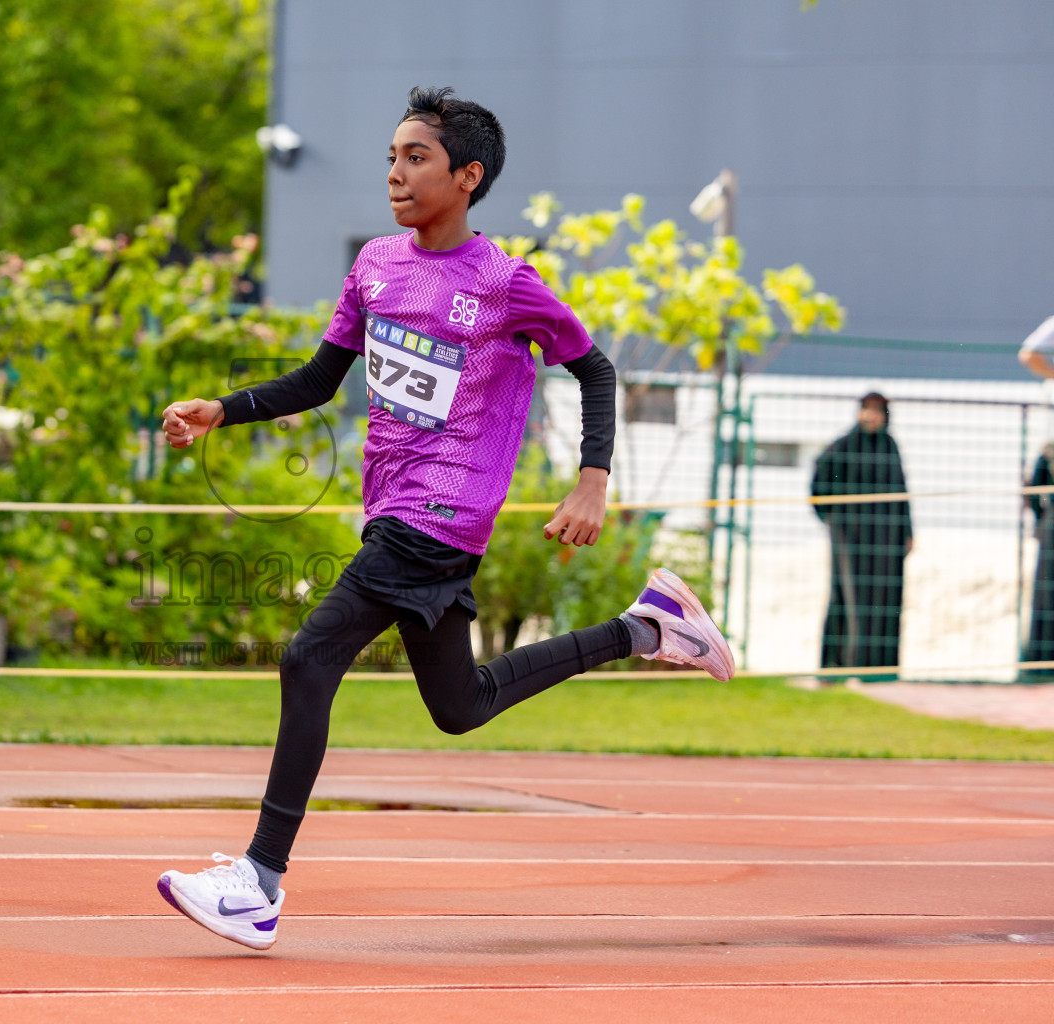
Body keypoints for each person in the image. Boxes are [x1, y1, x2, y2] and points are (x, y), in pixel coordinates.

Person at [151, 86, 735, 951]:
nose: (394, 172)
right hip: (395, 507)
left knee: (310, 659)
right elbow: (318, 381)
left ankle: (259, 882)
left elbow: (597, 369)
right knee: (459, 705)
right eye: (391, 156)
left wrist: (593, 480)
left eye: (415, 157)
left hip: (440, 510)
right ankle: (645, 630)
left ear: (467, 176)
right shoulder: (377, 265)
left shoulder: (505, 282)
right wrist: (222, 410)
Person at [810, 393, 912, 679]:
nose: (872, 416)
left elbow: (901, 491)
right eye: (867, 409)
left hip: (887, 537)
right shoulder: (842, 446)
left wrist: (907, 531)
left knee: (886, 597)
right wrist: (833, 521)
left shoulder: (890, 446)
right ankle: (843, 665)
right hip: (850, 537)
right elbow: (818, 486)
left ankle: (881, 668)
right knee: (849, 596)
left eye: (878, 411)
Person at [1022, 443, 1054, 679]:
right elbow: (1034, 491)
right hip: (1052, 529)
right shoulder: (1048, 451)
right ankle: (1041, 662)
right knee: (1047, 593)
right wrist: (1044, 521)